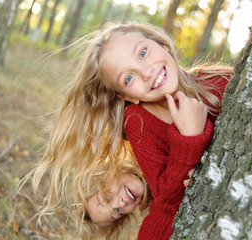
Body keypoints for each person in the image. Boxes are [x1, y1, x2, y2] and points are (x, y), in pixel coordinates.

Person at [22, 22, 232, 239]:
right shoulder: (138, 120)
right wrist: (189, 139)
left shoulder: (218, 79)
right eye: (128, 78)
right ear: (128, 97)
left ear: (163, 45)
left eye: (143, 53)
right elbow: (167, 196)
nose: (146, 72)